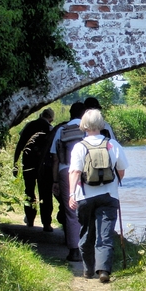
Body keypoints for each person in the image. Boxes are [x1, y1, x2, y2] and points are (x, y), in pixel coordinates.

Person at [68, 109, 129, 283]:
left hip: (85, 196)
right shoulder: (113, 145)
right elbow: (121, 171)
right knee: (106, 233)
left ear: (84, 125)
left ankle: (87, 269)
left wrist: (72, 194)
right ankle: (103, 270)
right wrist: (113, 186)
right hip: (109, 195)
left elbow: (75, 172)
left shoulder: (79, 147)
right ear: (101, 124)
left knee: (87, 231)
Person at [51, 102, 85, 262]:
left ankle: (74, 251)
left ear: (70, 114)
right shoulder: (88, 129)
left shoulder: (61, 130)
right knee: (88, 209)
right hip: (86, 173)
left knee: (71, 211)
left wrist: (55, 181)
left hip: (65, 171)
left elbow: (55, 157)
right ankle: (89, 250)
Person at [13, 108, 55, 231]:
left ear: (41, 115)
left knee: (29, 191)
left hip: (28, 163)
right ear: (51, 118)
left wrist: (15, 164)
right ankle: (46, 223)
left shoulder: (29, 125)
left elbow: (20, 145)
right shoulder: (50, 129)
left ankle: (30, 219)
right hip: (44, 165)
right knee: (45, 193)